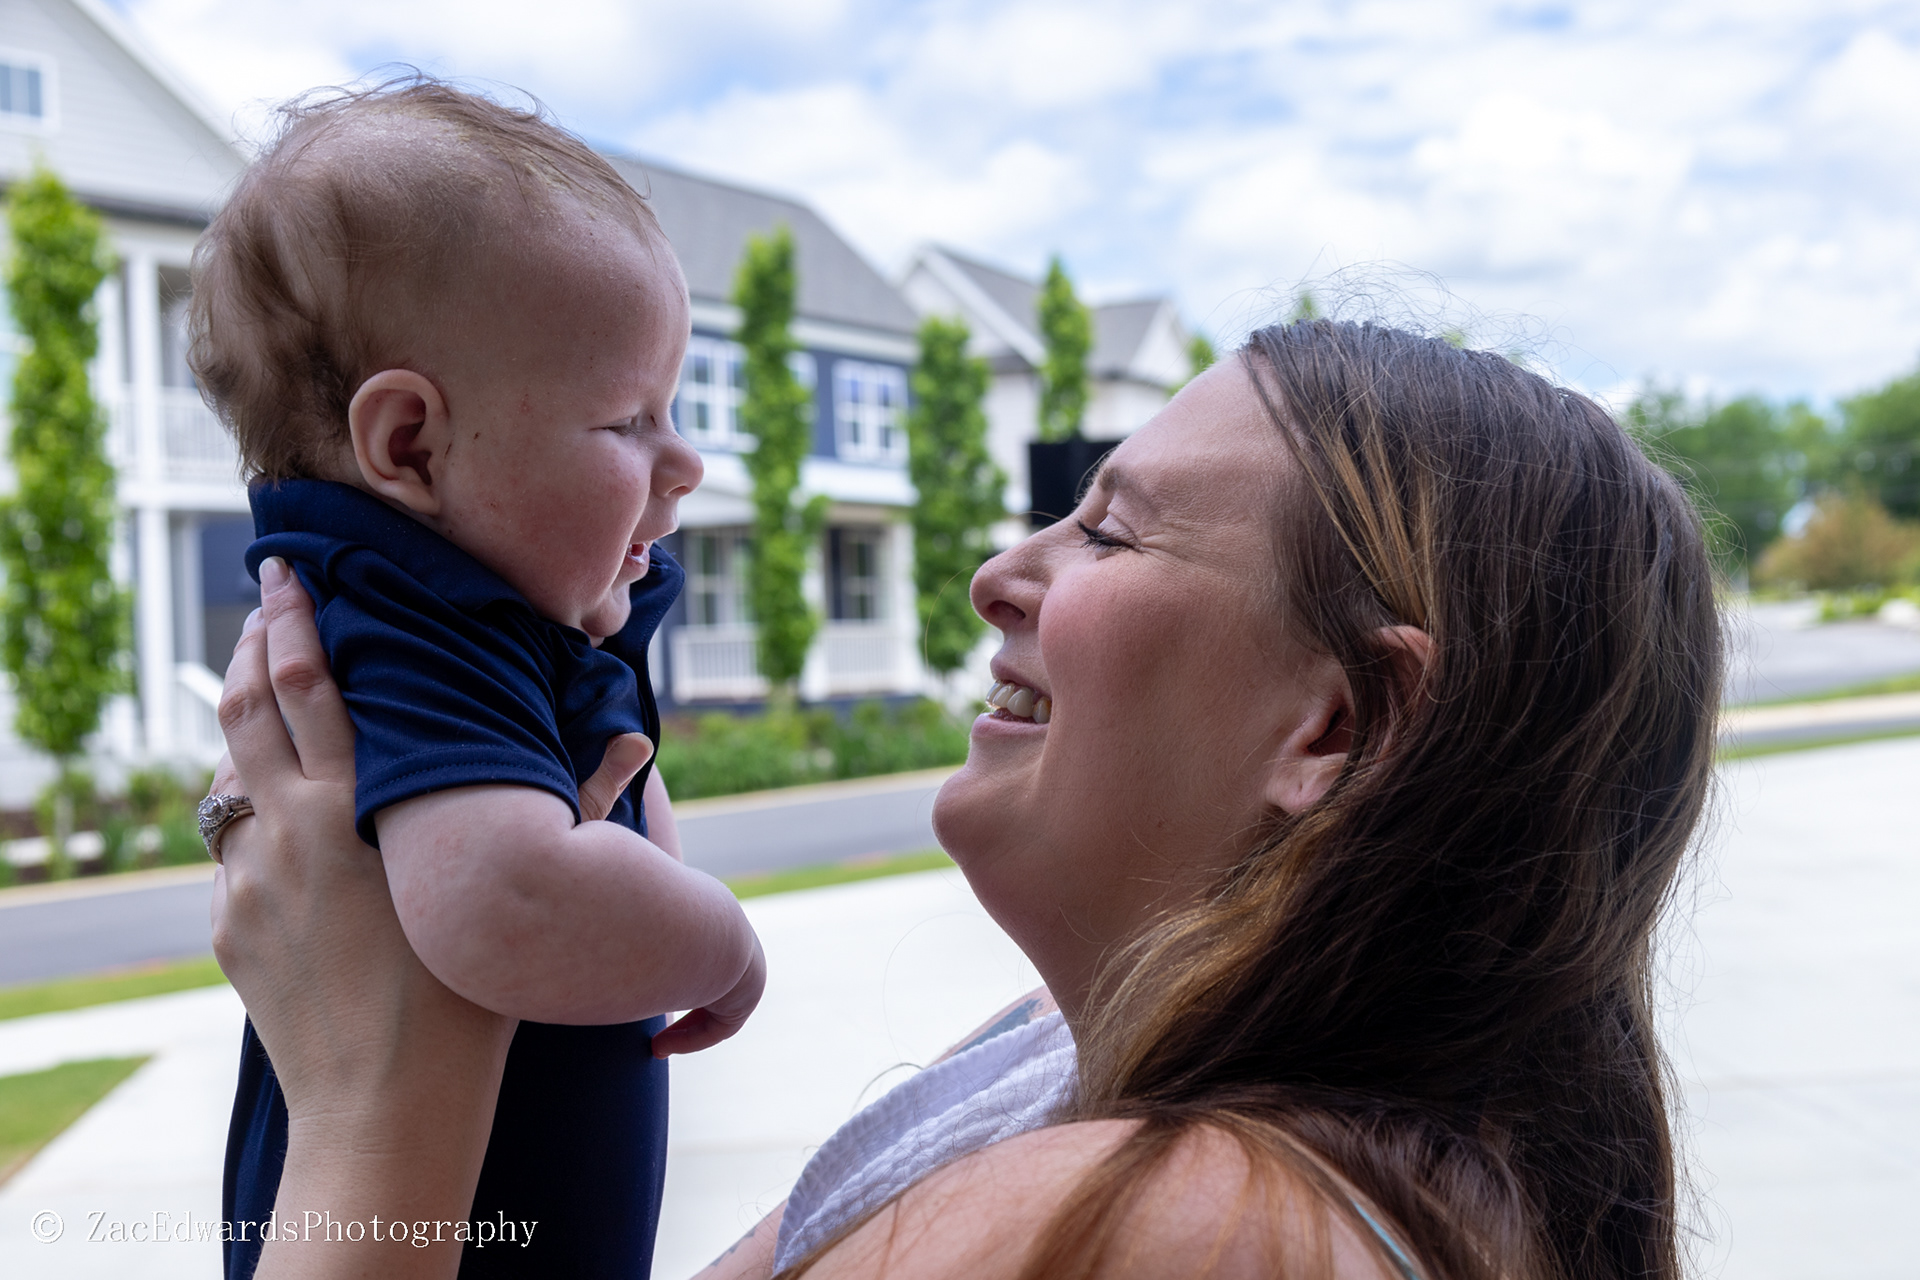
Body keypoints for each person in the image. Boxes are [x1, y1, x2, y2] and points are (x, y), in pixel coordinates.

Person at [208, 318, 1722, 1279]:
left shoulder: (1179, 1230)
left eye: (1111, 535)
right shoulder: (1062, 1069)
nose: (1001, 572)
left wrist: (367, 1110)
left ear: (1336, 724)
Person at [189, 80, 765, 1279]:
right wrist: (722, 947)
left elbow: (615, 805)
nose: (689, 459)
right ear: (410, 444)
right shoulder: (416, 620)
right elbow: (505, 896)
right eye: (630, 420)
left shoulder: (490, 604)